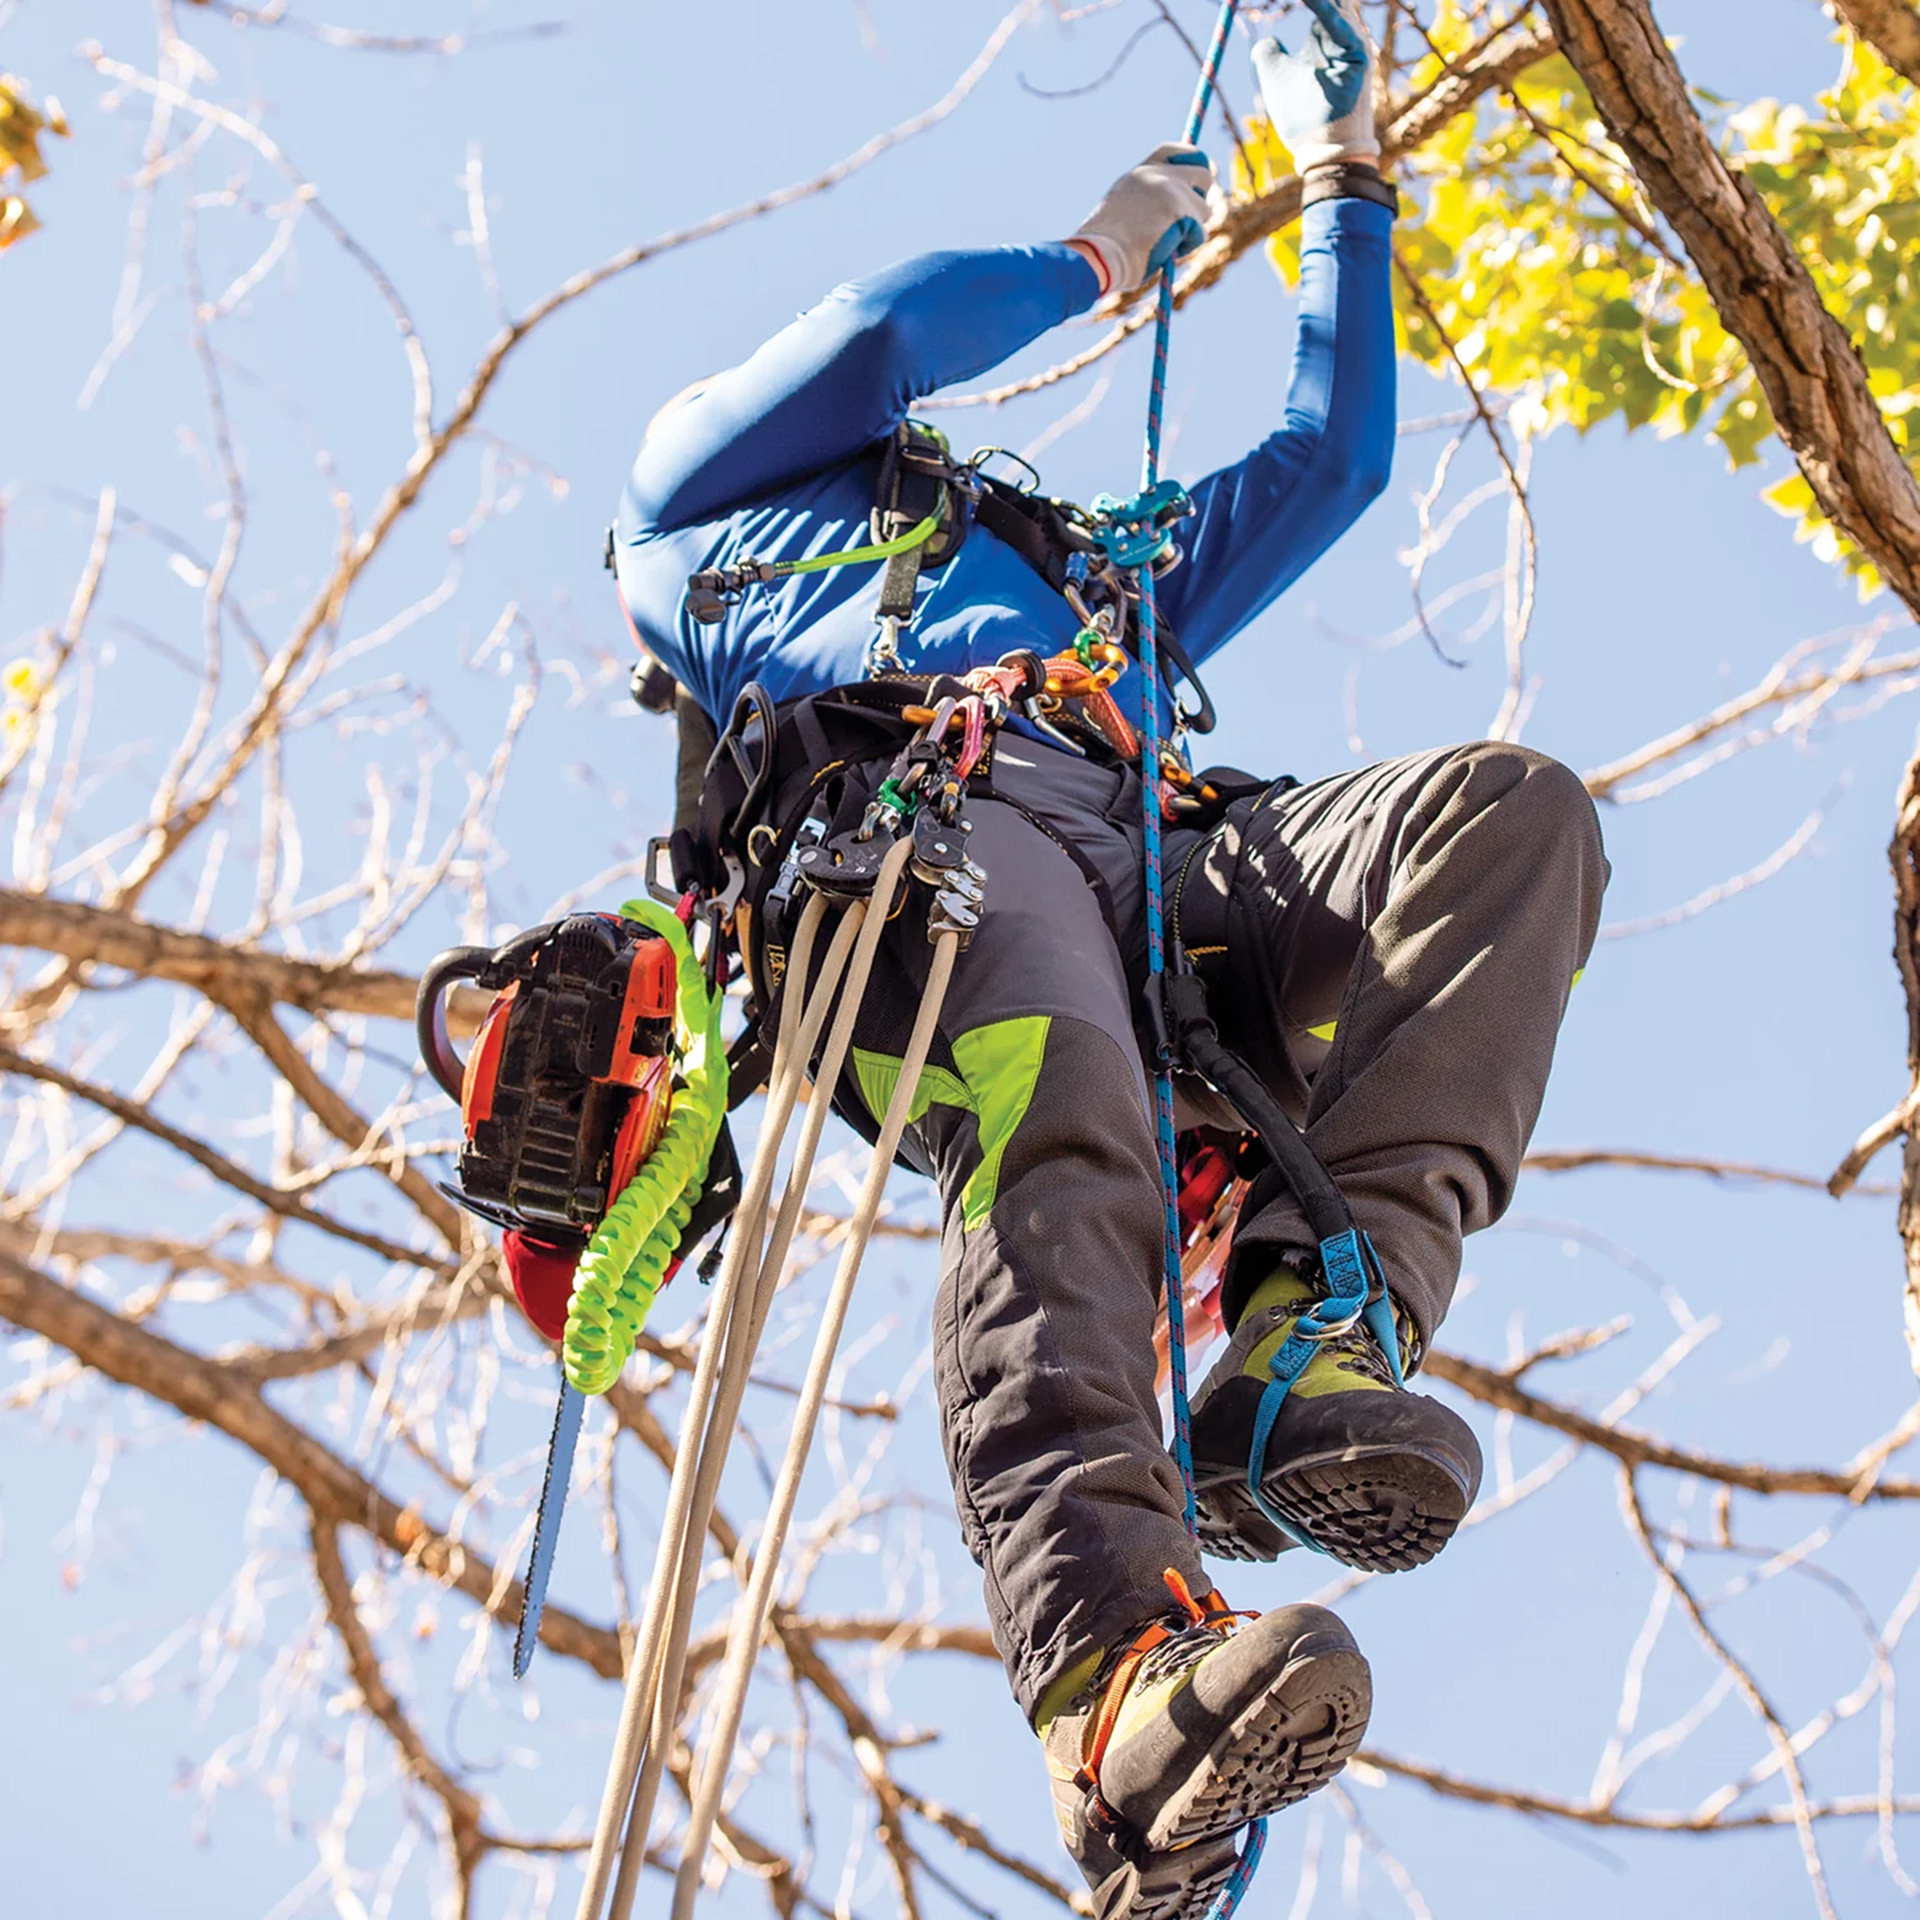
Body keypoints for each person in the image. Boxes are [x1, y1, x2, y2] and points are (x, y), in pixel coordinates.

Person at [608, 6, 1608, 1915]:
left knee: (1507, 818)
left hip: (1156, 860)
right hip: (910, 828)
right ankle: (1112, 1681)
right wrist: (1100, 251)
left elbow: (1328, 461)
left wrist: (1346, 177)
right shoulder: (696, 510)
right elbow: (881, 333)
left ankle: (1310, 1343)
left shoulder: (1091, 591)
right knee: (1063, 1109)